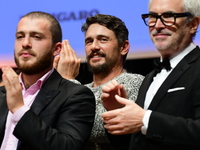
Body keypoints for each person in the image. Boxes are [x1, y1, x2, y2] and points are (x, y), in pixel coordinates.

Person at [101, 0, 200, 149]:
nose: (158, 25)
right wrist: (120, 115)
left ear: (193, 24)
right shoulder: (149, 77)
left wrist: (145, 119)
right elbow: (135, 142)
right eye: (153, 17)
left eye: (168, 16)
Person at [0, 11, 95, 150]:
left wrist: (19, 109)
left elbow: (67, 146)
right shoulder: (2, 94)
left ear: (56, 48)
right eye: (20, 37)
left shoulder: (76, 96)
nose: (25, 43)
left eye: (36, 37)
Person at [54, 14, 144, 150]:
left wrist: (68, 81)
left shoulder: (135, 82)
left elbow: (98, 130)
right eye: (89, 41)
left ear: (123, 47)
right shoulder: (81, 89)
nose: (94, 47)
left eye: (103, 40)